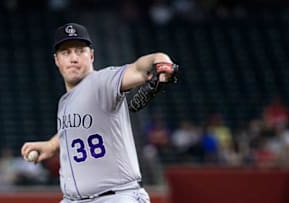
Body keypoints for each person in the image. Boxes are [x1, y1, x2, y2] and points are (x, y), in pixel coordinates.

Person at [21, 22, 176, 203]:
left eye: (80, 51)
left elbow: (140, 69)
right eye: (66, 53)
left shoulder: (102, 82)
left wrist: (161, 60)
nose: (73, 58)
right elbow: (74, 130)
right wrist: (50, 146)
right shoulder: (64, 102)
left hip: (117, 196)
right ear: (56, 59)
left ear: (92, 55)